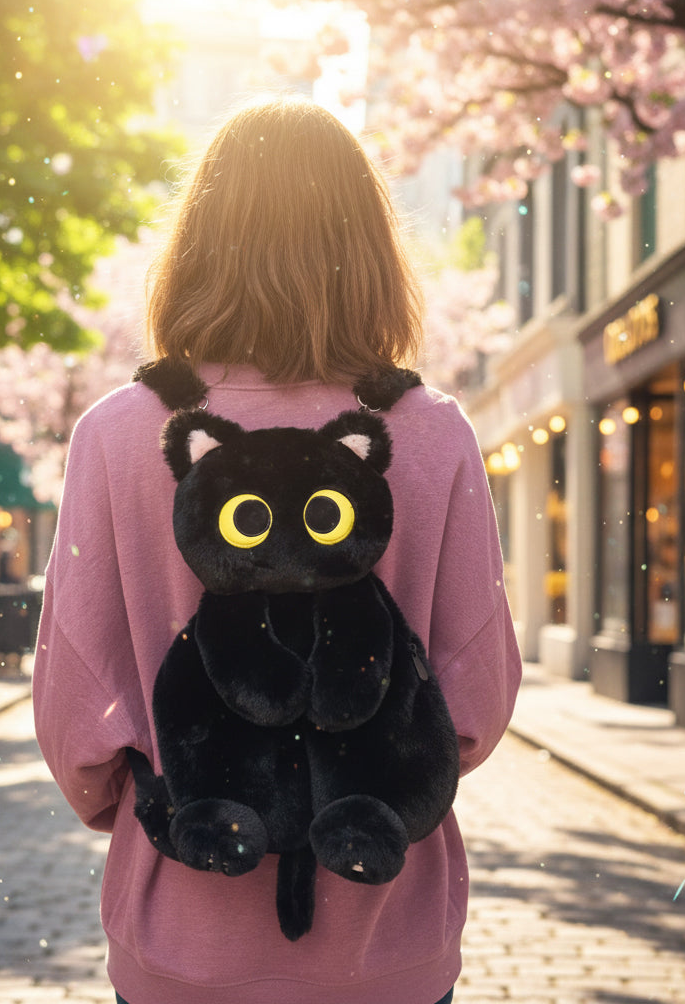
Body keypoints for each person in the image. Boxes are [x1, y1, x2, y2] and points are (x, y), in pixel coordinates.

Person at [32, 95, 522, 1004]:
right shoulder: (428, 434)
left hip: (183, 935)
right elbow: (474, 702)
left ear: (198, 244)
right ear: (371, 245)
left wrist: (173, 807)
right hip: (384, 944)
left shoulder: (119, 435)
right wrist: (368, 784)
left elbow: (77, 716)